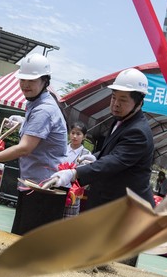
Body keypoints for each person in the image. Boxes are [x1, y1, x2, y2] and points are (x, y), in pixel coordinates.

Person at [0, 53, 67, 235]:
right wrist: (24, 122)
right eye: (23, 79)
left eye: (31, 80)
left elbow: (25, 148)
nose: (25, 84)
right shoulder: (36, 102)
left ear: (45, 81)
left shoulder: (44, 109)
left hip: (45, 187)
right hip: (35, 183)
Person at [49, 68, 155, 209]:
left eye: (122, 100)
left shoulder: (138, 132)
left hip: (127, 209)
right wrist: (96, 157)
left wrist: (74, 173)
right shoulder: (121, 121)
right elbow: (113, 151)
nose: (116, 104)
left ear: (139, 102)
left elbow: (114, 161)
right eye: (113, 97)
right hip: (110, 203)